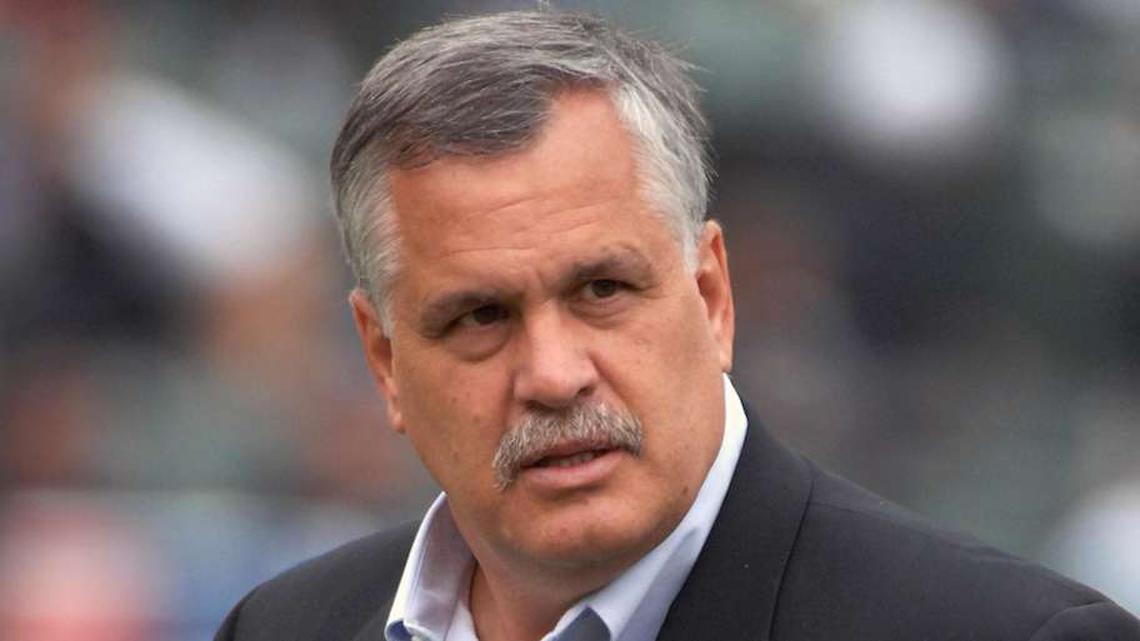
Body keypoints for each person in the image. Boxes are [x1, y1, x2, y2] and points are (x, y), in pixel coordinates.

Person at [215, 10, 1140, 641]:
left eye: (604, 290)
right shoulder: (282, 627)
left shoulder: (1005, 635)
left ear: (712, 296)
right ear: (383, 360)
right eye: (480, 316)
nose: (552, 370)